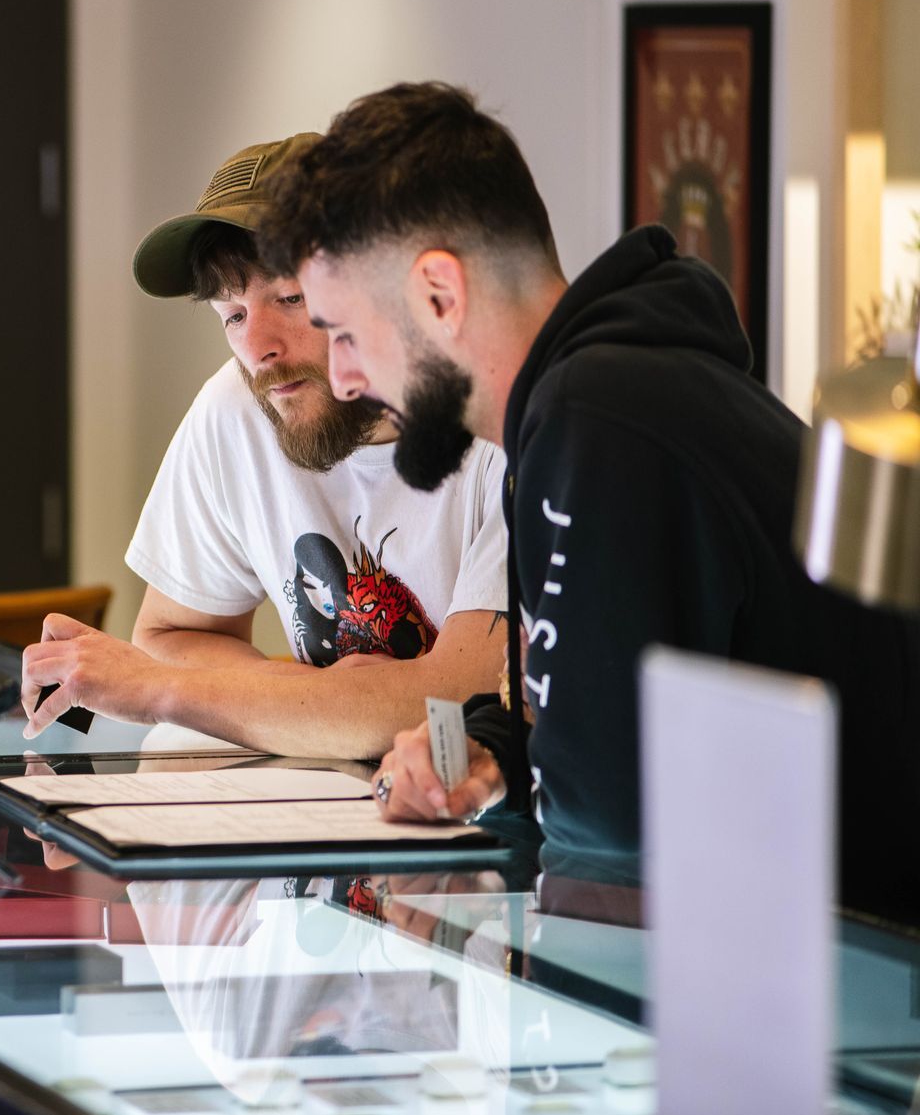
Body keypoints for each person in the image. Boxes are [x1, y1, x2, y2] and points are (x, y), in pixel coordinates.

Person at [262, 82, 919, 908]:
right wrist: (492, 752)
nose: (347, 379)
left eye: (347, 334)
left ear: (439, 294)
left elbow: (604, 837)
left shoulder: (601, 419)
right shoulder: (587, 406)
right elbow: (611, 735)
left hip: (860, 980)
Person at [20, 137, 508, 761]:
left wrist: (164, 691)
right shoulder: (238, 405)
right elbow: (173, 634)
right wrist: (331, 701)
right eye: (231, 314)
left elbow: (460, 706)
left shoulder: (498, 426)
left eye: (289, 299)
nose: (258, 350)